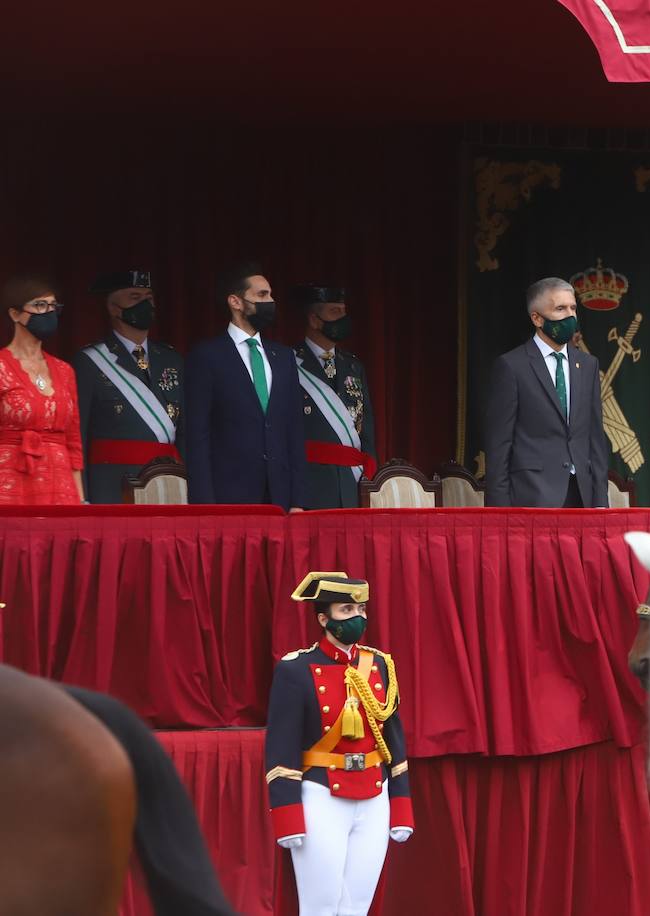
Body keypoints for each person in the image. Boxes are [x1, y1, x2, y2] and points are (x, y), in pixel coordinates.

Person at [266, 571, 414, 916]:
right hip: (321, 793)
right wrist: (287, 815)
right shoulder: (296, 669)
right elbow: (281, 747)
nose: (357, 617)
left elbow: (393, 737)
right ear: (323, 618)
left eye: (360, 609)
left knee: (356, 907)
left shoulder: (379, 664)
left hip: (375, 794)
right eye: (346, 610)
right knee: (320, 906)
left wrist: (402, 803)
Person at [184, 263, 307, 511]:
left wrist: (298, 500)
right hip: (228, 496)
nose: (270, 301)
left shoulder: (284, 357)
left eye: (271, 294)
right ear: (235, 302)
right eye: (262, 295)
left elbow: (293, 430)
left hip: (279, 497)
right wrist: (205, 504)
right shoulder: (207, 356)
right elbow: (196, 435)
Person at [485, 277, 609, 508]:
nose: (570, 316)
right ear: (537, 318)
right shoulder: (512, 366)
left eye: (573, 307)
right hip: (532, 496)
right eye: (560, 308)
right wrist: (499, 511)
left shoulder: (588, 364)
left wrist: (601, 501)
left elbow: (595, 437)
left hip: (582, 496)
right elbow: (499, 445)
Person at [75, 270, 184, 504]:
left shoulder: (171, 358)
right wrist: (82, 496)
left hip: (170, 483)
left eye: (149, 298)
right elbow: (79, 435)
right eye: (135, 297)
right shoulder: (90, 361)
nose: (146, 304)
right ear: (114, 308)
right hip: (112, 486)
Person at [291, 285, 376, 509]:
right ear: (314, 319)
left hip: (352, 482)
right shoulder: (288, 363)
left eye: (344, 312)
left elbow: (366, 429)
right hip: (311, 483)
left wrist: (369, 478)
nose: (343, 318)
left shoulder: (353, 365)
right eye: (335, 312)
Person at [0, 277, 84, 505]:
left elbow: (73, 444)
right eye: (39, 305)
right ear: (15, 314)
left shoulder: (64, 371)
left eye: (53, 306)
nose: (48, 312)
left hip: (60, 489)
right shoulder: (1, 366)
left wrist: (81, 502)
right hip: (10, 489)